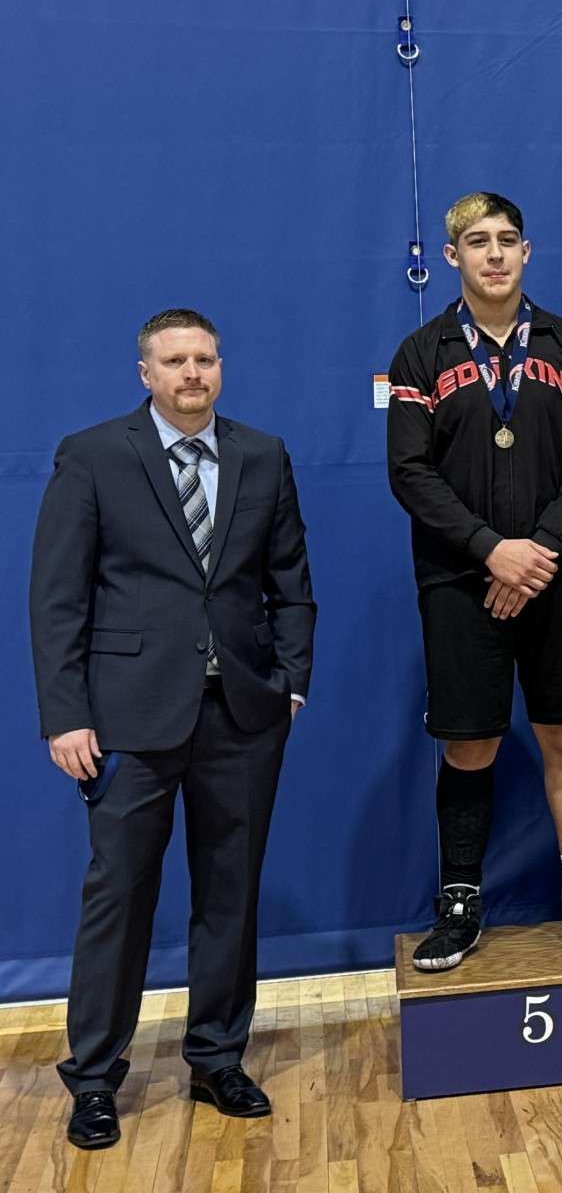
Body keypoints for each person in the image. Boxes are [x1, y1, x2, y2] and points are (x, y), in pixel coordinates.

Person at [30, 309, 317, 1150]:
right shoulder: (92, 455)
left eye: (205, 359)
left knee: (231, 896)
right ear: (145, 374)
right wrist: (66, 714)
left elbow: (291, 579)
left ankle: (218, 1058)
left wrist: (291, 681)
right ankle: (93, 1079)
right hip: (127, 720)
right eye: (175, 361)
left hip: (243, 714)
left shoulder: (263, 454)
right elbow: (57, 600)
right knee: (118, 898)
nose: (193, 374)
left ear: (221, 367)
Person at [387, 191, 562, 971]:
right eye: (478, 242)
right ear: (452, 257)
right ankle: (458, 903)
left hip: (559, 572)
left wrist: (540, 551)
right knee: (472, 740)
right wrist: (492, 550)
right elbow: (410, 473)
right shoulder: (421, 354)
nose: (495, 254)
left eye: (508, 240)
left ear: (528, 253)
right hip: (461, 578)